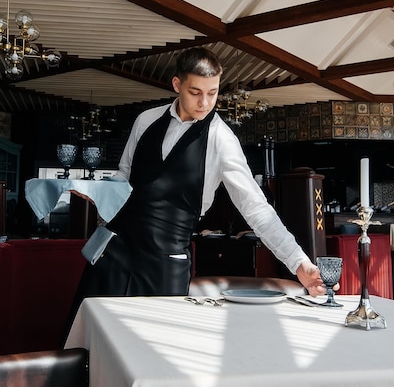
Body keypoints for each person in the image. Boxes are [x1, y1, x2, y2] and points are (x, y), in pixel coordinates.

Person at [70, 47, 326, 310]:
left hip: (165, 263)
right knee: (94, 342)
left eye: (212, 93)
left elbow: (257, 209)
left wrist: (298, 262)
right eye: (195, 93)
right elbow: (123, 178)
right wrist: (97, 190)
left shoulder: (221, 139)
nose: (204, 102)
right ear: (177, 84)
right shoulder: (146, 120)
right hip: (115, 252)